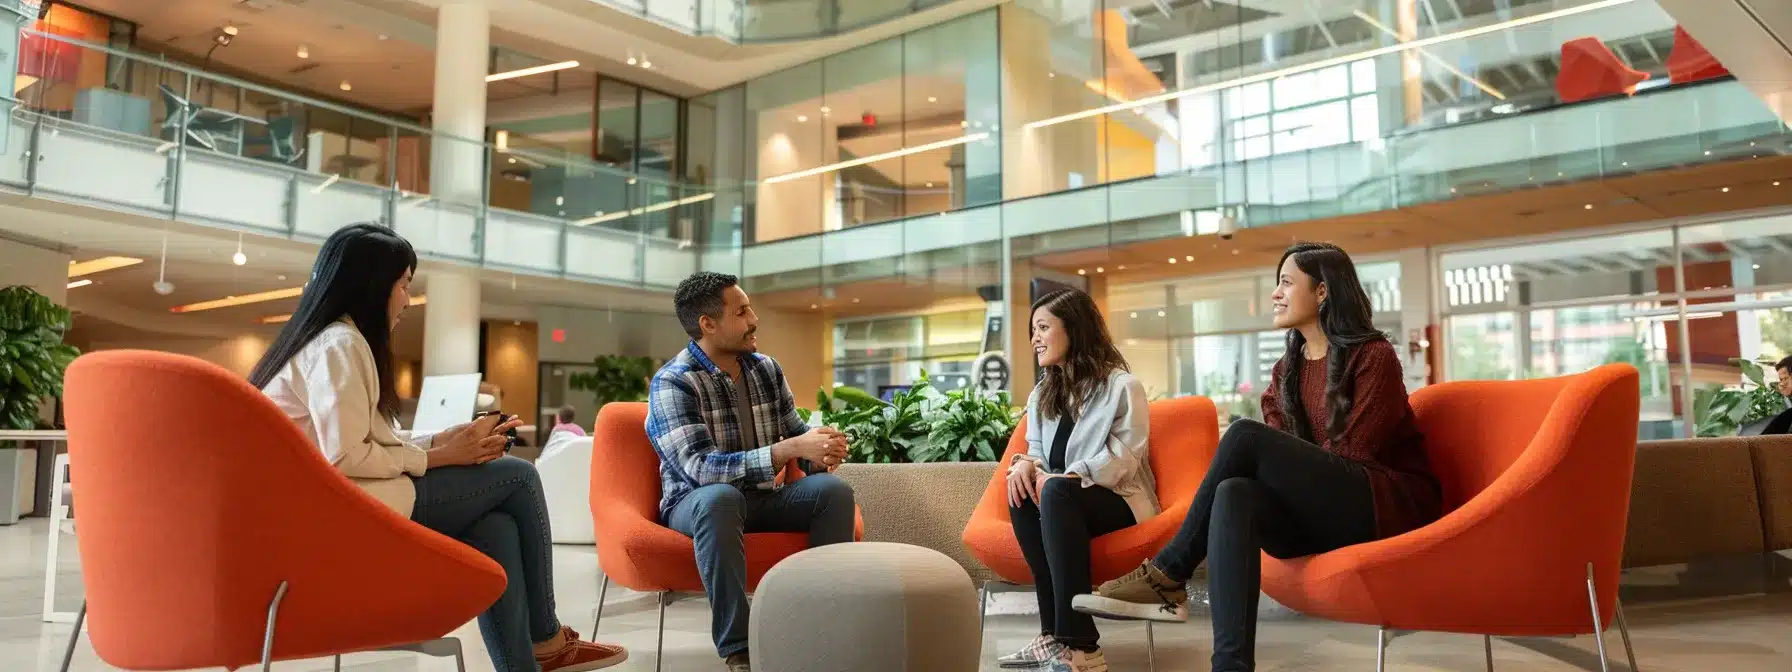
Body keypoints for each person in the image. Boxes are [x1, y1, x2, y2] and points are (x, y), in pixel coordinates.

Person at [250, 223, 627, 672]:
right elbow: (345, 457)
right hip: (346, 513)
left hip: (341, 505)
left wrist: (439, 441)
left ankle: (524, 664)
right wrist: (438, 456)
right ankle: (546, 639)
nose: (409, 300)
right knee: (520, 475)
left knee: (498, 530)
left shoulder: (327, 341)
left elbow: (358, 441)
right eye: (404, 285)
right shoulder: (340, 344)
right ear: (374, 285)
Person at [1074, 242, 1443, 672]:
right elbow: (1287, 463)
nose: (1275, 293)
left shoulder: (1374, 356)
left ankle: (1169, 571)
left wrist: (1287, 467)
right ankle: (1230, 666)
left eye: (1286, 282)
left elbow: (1353, 454)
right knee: (1234, 493)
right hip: (1319, 514)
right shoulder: (1287, 368)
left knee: (1245, 435)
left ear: (1322, 292)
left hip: (1380, 506)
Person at [646, 271, 857, 672]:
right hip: (695, 505)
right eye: (741, 311)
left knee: (832, 492)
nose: (754, 319)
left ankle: (824, 626)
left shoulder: (765, 369)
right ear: (708, 324)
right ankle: (738, 648)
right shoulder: (674, 382)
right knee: (720, 498)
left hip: (759, 497)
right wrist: (789, 449)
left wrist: (821, 450)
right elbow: (700, 470)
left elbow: (797, 436)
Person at [998, 288, 1154, 672]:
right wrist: (1023, 465)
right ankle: (1053, 636)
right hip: (1062, 499)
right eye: (1032, 329)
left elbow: (1126, 460)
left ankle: (1083, 648)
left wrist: (1062, 477)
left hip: (1115, 498)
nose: (1034, 338)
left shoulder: (1121, 386)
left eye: (1043, 327)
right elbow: (1035, 450)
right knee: (1021, 491)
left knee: (1053, 491)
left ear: (1075, 329)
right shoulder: (1042, 394)